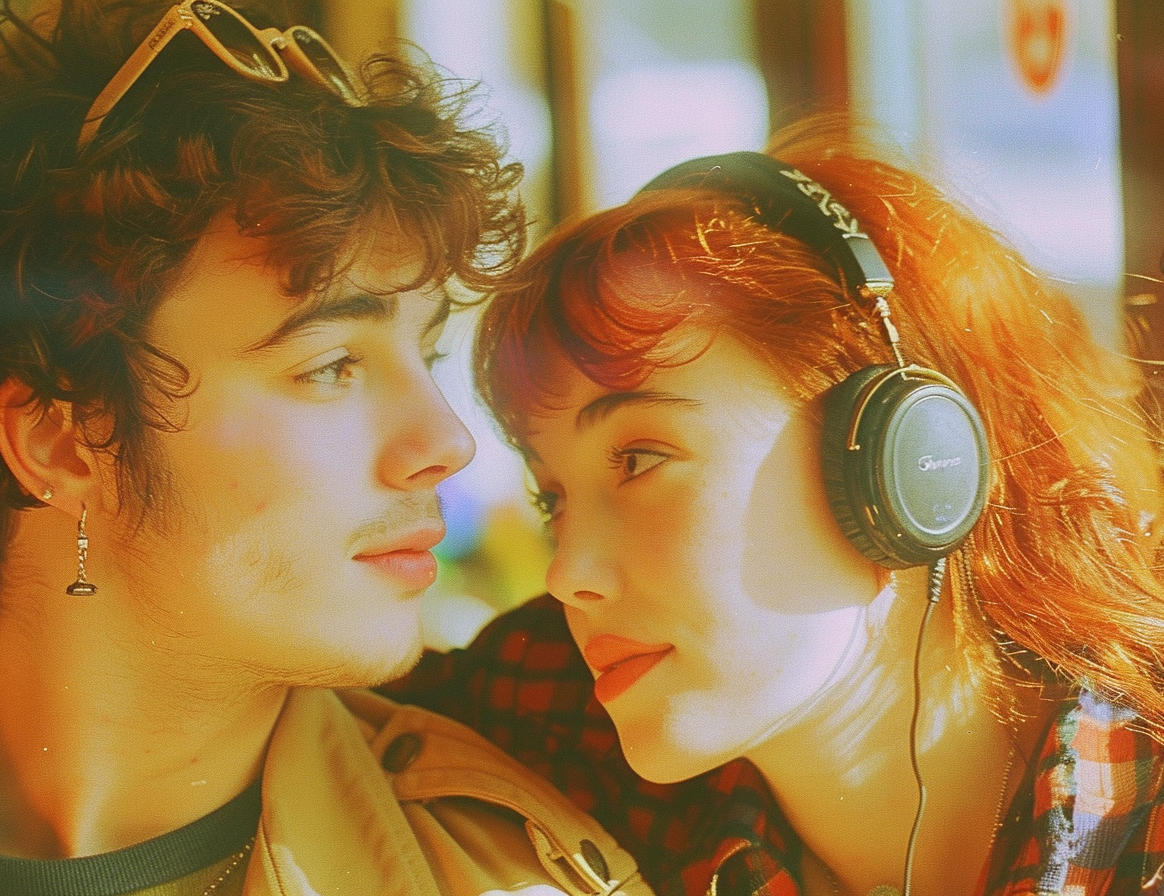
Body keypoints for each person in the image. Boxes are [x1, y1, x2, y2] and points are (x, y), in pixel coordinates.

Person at [0, 2, 653, 894]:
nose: (445, 441)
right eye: (333, 366)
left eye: (429, 351)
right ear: (63, 443)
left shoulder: (508, 877)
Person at [389, 121, 1164, 896]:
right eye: (549, 498)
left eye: (640, 460)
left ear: (902, 464)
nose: (567, 575)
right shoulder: (557, 720)